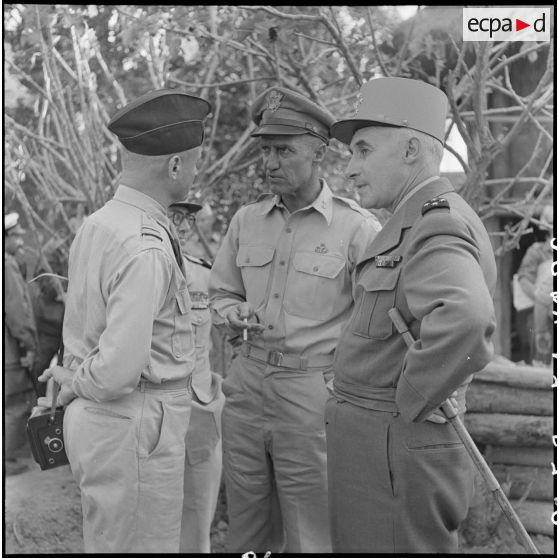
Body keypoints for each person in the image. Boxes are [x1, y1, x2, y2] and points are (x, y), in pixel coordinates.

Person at [326, 77, 498, 553]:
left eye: (362, 150)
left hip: (393, 452)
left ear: (410, 150)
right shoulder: (412, 220)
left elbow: (466, 317)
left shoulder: (435, 223)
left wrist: (406, 402)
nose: (351, 169)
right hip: (381, 454)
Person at [37, 89, 211, 553]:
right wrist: (75, 381)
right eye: (193, 163)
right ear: (175, 166)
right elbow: (117, 371)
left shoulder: (100, 223)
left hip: (108, 424)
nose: (195, 174)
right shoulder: (145, 245)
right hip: (133, 424)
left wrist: (72, 379)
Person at [208, 86, 381, 553]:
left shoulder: (358, 229)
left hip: (312, 398)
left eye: (283, 150)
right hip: (245, 388)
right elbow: (221, 293)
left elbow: (378, 325)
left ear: (319, 153)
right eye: (265, 150)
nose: (269, 163)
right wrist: (232, 312)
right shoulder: (246, 221)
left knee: (311, 530)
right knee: (246, 527)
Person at [168, 199, 225, 553]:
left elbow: (221, 342)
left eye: (188, 217)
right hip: (147, 422)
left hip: (199, 416)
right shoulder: (129, 271)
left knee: (196, 530)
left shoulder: (205, 275)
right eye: (175, 215)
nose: (184, 225)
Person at [4, 212, 38, 474]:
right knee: (15, 405)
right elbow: (17, 312)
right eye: (14, 236)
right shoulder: (7, 264)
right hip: (11, 352)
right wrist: (28, 345)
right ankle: (7, 461)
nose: (19, 241)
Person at [515, 204, 553, 363]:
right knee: (541, 357)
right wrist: (540, 297)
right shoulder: (537, 251)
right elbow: (523, 278)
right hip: (540, 313)